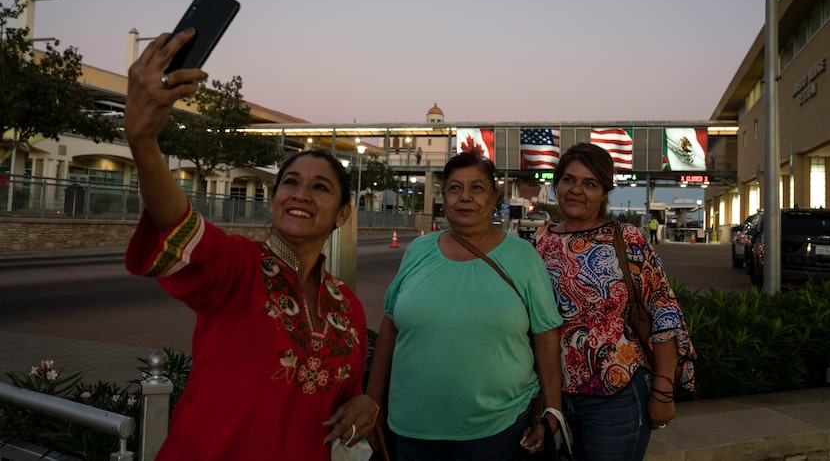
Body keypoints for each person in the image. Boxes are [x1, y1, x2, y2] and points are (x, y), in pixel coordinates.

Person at [123, 29, 378, 460]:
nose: (299, 194)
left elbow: (345, 397)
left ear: (343, 215)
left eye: (320, 187)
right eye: (290, 182)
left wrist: (365, 403)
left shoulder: (348, 308)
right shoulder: (240, 268)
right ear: (275, 197)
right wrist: (144, 142)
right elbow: (178, 222)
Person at [364, 151, 564, 460]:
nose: (465, 197)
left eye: (477, 188)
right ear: (444, 196)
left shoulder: (523, 257)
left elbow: (546, 339)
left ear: (493, 196)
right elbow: (389, 327)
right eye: (455, 188)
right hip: (411, 430)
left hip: (498, 432)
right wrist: (372, 402)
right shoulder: (418, 251)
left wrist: (552, 413)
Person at [533, 142, 695, 461]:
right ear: (556, 186)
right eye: (568, 180)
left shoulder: (626, 239)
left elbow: (665, 312)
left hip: (615, 396)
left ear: (604, 192)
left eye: (589, 183)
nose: (576, 190)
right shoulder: (540, 242)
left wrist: (663, 390)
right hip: (550, 397)